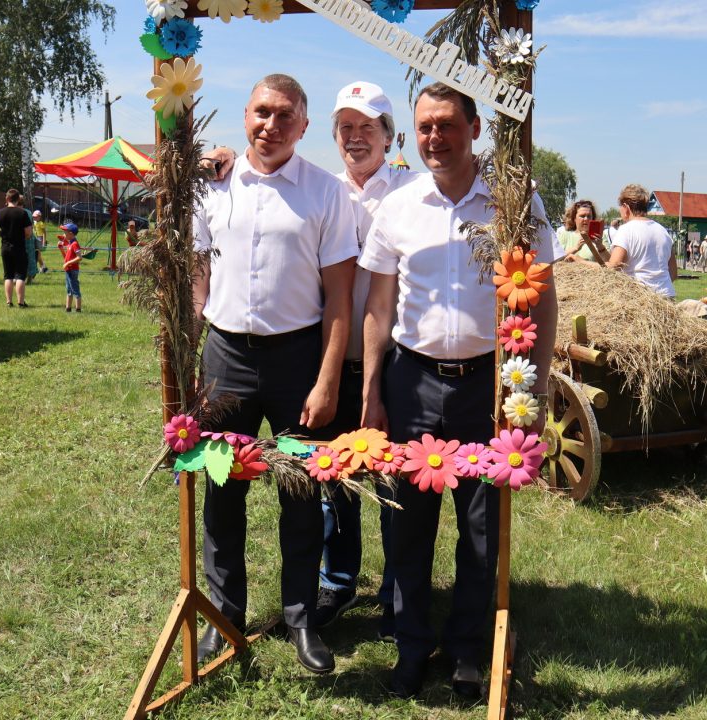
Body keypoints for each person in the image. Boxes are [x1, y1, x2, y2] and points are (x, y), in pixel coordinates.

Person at [360, 82, 558, 700]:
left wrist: (541, 382)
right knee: (407, 527)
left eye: (446, 125)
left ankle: (470, 650)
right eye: (423, 128)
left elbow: (543, 296)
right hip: (412, 381)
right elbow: (378, 305)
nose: (434, 139)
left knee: (481, 524)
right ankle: (412, 647)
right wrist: (371, 389)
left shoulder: (514, 205)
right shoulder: (397, 204)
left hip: (489, 386)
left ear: (475, 128)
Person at [192, 74, 358, 676]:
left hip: (297, 360)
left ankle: (300, 617)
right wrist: (191, 350)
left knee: (302, 494)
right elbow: (195, 273)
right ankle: (224, 615)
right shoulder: (212, 185)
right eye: (262, 112)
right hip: (226, 357)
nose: (271, 125)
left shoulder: (324, 193)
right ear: (244, 116)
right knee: (222, 488)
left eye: (285, 116)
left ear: (304, 126)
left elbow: (340, 297)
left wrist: (327, 379)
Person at [314, 80, 416, 637]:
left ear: (389, 135)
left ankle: (398, 589)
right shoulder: (321, 190)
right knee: (337, 478)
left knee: (393, 480)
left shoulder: (410, 192)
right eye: (346, 128)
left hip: (396, 362)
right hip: (332, 360)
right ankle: (339, 580)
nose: (356, 138)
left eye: (367, 128)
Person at [606, 184, 677, 298]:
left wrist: (583, 263)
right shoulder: (662, 231)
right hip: (666, 298)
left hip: (640, 300)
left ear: (626, 207)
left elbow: (613, 267)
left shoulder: (626, 230)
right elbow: (673, 273)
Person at [0, 188, 32, 307]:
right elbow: (28, 232)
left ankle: (9, 301)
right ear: (18, 199)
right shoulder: (23, 213)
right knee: (20, 275)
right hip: (19, 247)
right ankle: (21, 302)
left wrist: (5, 235)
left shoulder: (0, 212)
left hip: (5, 248)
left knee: (8, 275)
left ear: (7, 198)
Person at [558, 200, 609, 265]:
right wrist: (576, 248)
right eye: (582, 216)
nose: (586, 219)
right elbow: (555, 259)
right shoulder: (565, 235)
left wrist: (600, 246)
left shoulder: (599, 236)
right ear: (574, 218)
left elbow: (610, 263)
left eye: (589, 216)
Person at [58, 223, 83, 312]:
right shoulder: (70, 244)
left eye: (65, 232)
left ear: (71, 234)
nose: (64, 235)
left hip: (73, 270)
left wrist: (68, 263)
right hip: (68, 270)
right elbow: (66, 258)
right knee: (69, 290)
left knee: (75, 289)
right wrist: (61, 249)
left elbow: (79, 257)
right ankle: (68, 308)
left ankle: (78, 309)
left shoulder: (75, 244)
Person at [32, 209, 49, 274]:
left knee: (38, 253)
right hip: (36, 237)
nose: (34, 218)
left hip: (40, 238)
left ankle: (43, 268)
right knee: (38, 254)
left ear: (39, 216)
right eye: (34, 217)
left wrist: (44, 241)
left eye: (36, 217)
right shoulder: (34, 222)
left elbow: (44, 233)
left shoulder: (41, 223)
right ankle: (43, 268)